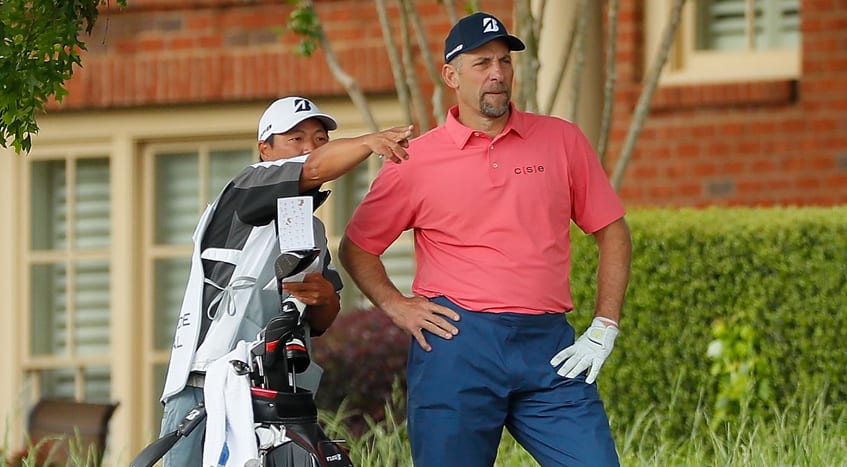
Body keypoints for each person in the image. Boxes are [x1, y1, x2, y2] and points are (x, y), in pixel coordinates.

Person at [338, 12, 632, 467]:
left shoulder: (561, 140)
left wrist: (605, 325)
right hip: (457, 345)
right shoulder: (414, 160)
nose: (497, 73)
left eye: (504, 61)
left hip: (549, 348)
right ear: (451, 75)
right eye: (481, 63)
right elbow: (358, 247)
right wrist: (397, 306)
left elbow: (612, 230)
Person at [158, 96, 413, 467]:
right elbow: (310, 169)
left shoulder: (309, 225)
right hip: (204, 386)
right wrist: (366, 142)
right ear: (265, 150)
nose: (310, 148)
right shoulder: (244, 188)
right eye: (295, 139)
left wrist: (324, 297)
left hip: (275, 396)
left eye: (320, 139)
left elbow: (323, 319)